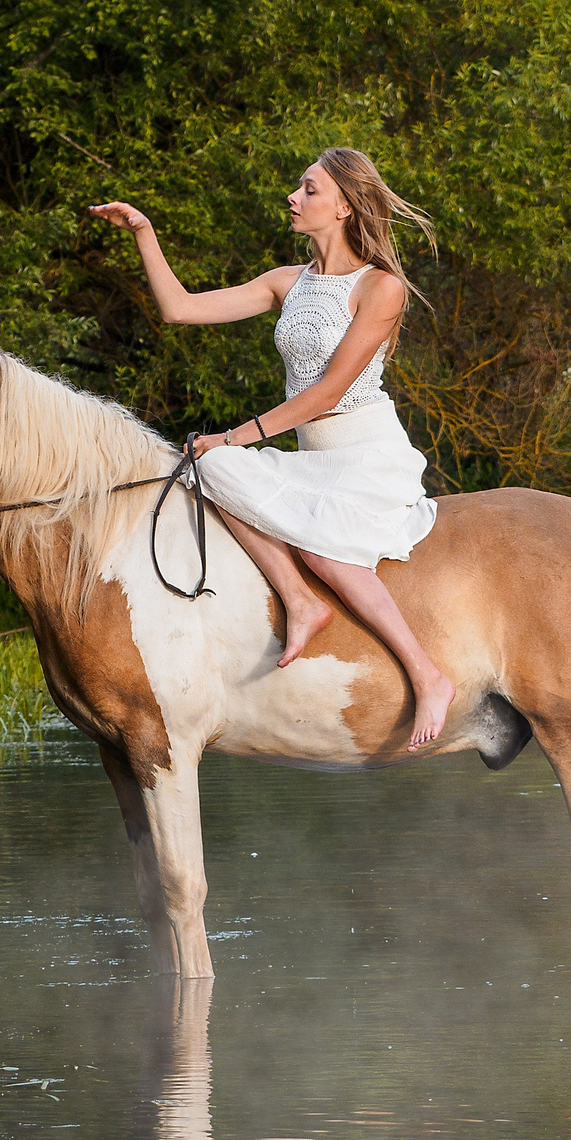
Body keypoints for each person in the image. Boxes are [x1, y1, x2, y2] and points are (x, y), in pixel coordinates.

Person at [88, 149, 456, 746]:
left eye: (308, 190)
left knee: (324, 549)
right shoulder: (288, 282)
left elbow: (329, 391)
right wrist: (144, 234)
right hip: (315, 460)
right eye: (299, 188)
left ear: (343, 206)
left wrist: (235, 436)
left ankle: (427, 674)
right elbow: (180, 309)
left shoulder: (381, 289)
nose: (293, 197)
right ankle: (300, 605)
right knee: (204, 470)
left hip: (366, 457)